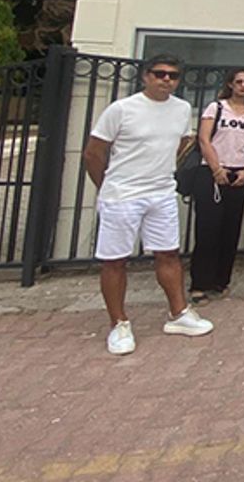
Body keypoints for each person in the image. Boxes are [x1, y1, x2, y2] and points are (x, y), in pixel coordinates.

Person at [83, 54, 213, 355]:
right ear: (146, 76)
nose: (166, 79)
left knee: (168, 253)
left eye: (173, 75)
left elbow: (183, 144)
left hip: (161, 192)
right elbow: (93, 152)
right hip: (123, 194)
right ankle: (119, 323)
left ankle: (178, 313)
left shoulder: (181, 109)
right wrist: (108, 187)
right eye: (159, 73)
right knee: (115, 260)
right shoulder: (122, 109)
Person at [189, 69, 244, 304]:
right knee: (207, 229)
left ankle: (221, 281)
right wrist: (216, 169)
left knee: (230, 230)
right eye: (239, 81)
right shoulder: (216, 108)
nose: (243, 86)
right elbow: (204, 139)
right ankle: (199, 284)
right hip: (211, 173)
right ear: (230, 84)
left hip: (239, 173)